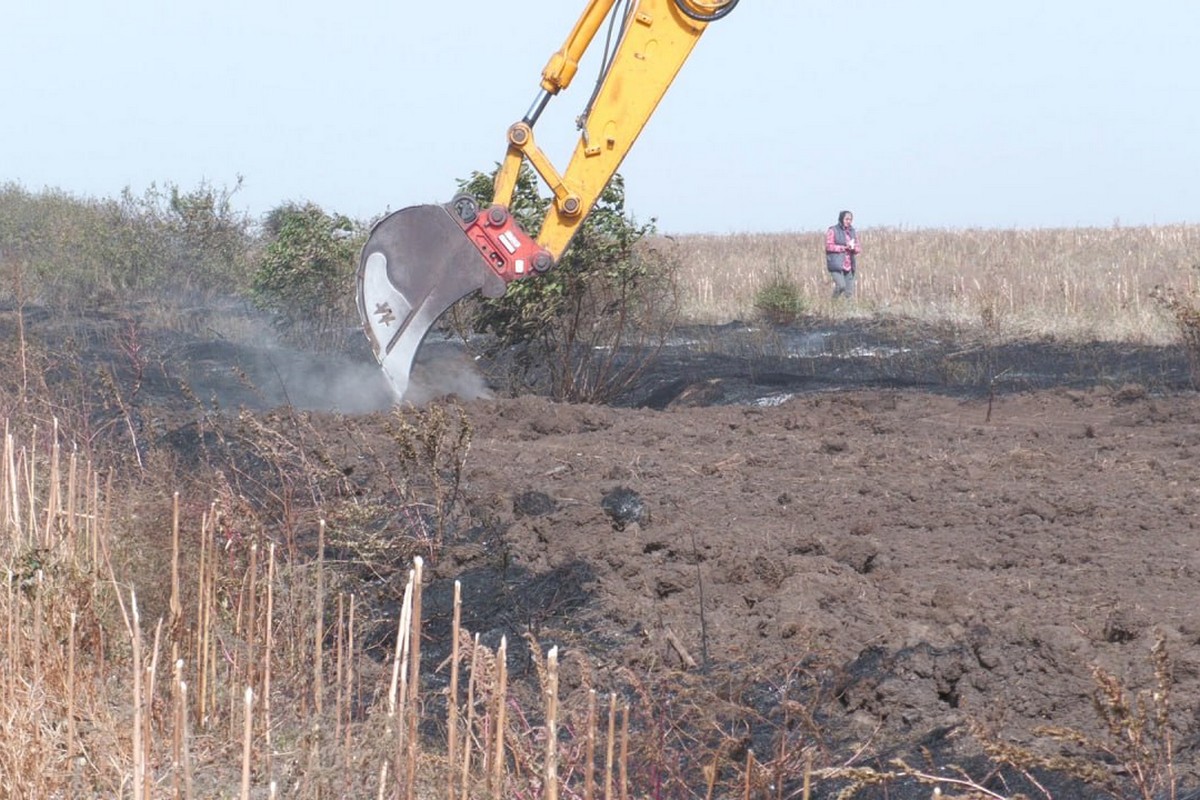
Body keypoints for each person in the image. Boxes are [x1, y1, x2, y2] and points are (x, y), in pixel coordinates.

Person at [825, 210, 859, 299]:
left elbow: (858, 247)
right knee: (841, 286)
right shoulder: (833, 230)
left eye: (850, 219)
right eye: (846, 219)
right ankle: (833, 304)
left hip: (849, 265)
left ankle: (849, 311)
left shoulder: (852, 231)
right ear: (841, 219)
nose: (849, 221)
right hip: (836, 264)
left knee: (849, 292)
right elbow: (828, 246)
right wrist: (843, 248)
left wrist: (853, 248)